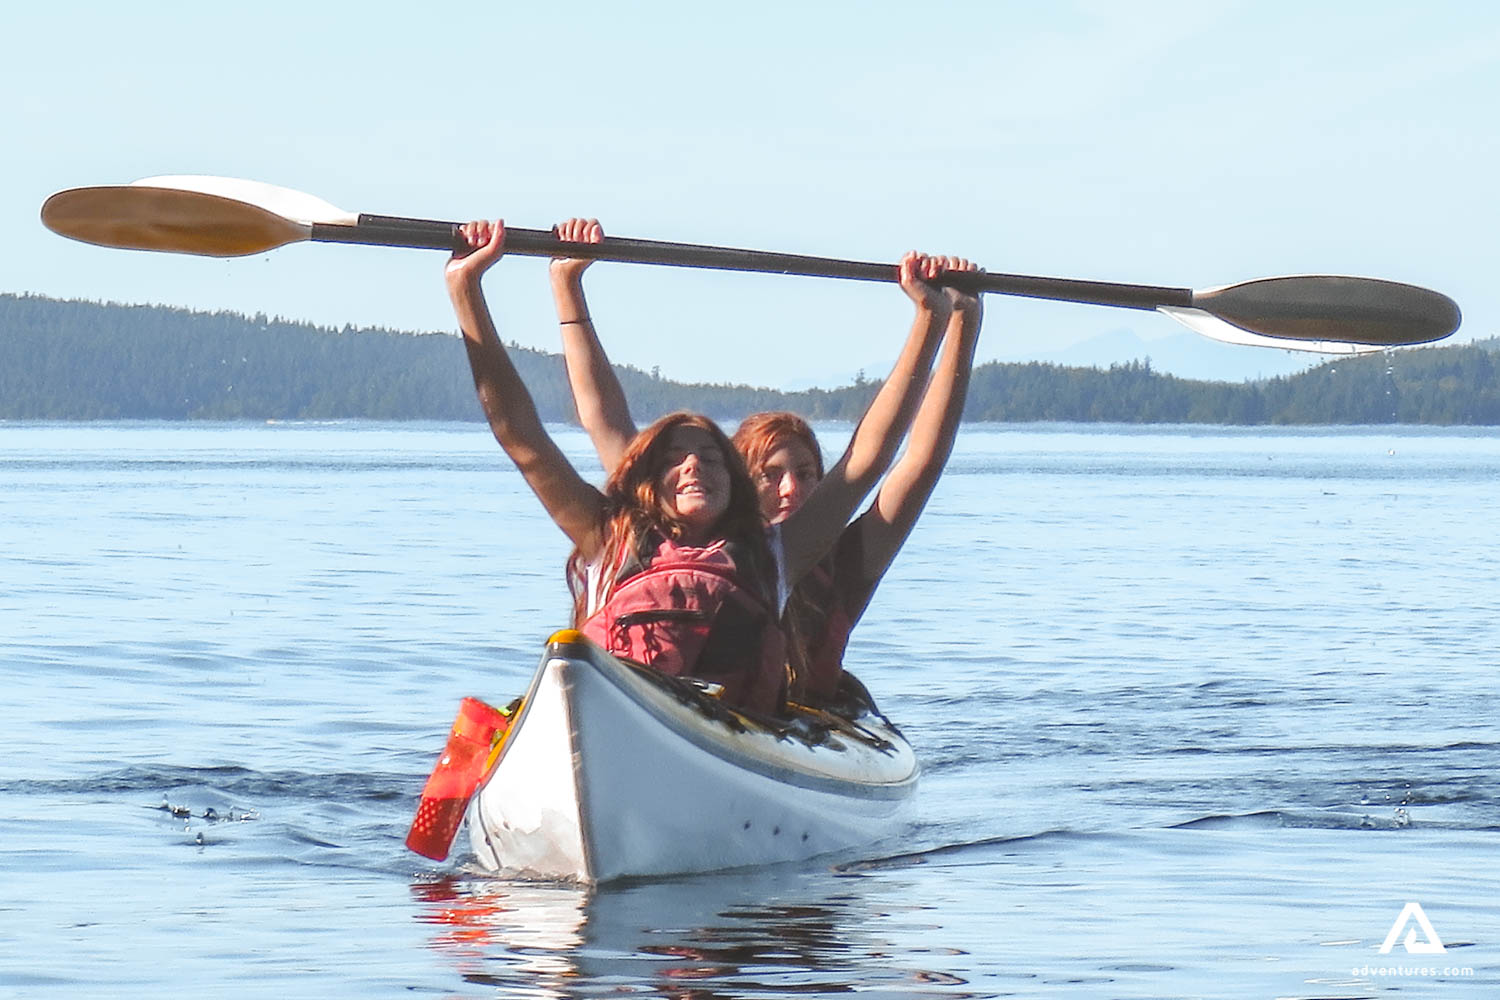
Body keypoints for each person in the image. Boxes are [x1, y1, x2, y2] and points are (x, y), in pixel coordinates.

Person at [446, 219, 939, 716]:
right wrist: (479, 286)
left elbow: (867, 458)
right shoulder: (610, 537)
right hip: (618, 714)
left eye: (709, 458)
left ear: (734, 482)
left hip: (727, 730)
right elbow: (523, 436)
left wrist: (929, 318)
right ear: (647, 483)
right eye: (674, 459)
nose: (691, 467)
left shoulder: (775, 555)